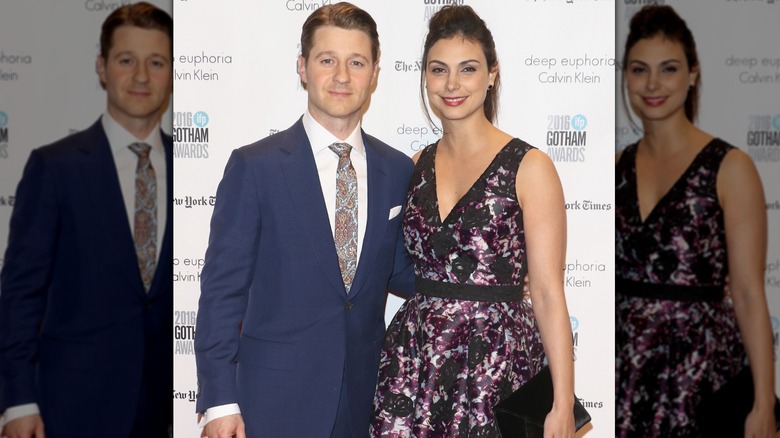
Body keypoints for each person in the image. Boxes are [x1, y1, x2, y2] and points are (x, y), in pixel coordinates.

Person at [193, 3, 415, 437]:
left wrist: (494, 280)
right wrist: (219, 401)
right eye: (327, 60)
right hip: (272, 403)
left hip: (365, 401)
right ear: (302, 67)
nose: (342, 76)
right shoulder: (255, 167)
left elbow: (403, 270)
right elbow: (221, 292)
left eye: (356, 62)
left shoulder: (397, 170)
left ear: (374, 73)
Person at [371, 5, 576, 437]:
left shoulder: (530, 166)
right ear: (425, 77)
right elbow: (393, 266)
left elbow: (546, 291)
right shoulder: (414, 165)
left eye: (468, 69)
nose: (452, 84)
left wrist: (562, 403)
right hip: (415, 362)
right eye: (438, 70)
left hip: (496, 363)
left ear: (492, 74)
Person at [0, 3, 173, 438]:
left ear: (173, 72)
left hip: (167, 411)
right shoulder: (55, 168)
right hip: (70, 408)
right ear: (102, 67)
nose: (141, 76)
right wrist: (17, 400)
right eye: (126, 60)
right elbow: (21, 294)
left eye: (156, 62)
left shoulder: (194, 170)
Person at [615, 5, 776, 437]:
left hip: (702, 378)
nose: (653, 84)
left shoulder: (730, 167)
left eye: (668, 69)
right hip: (625, 373)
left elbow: (747, 293)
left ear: (692, 74)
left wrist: (764, 403)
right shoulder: (614, 168)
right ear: (626, 77)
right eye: (639, 70)